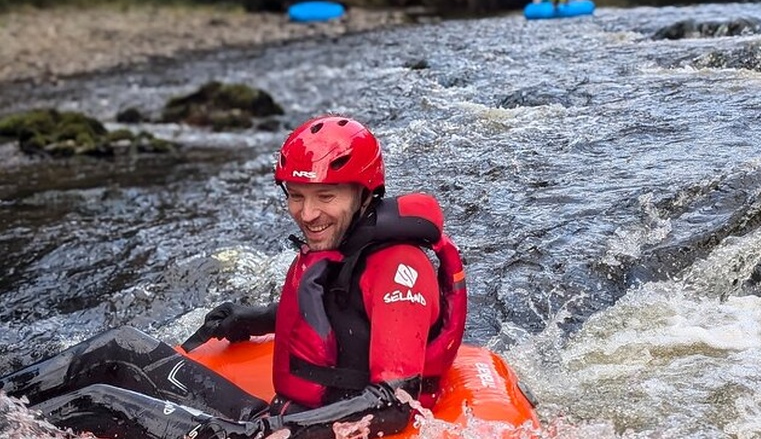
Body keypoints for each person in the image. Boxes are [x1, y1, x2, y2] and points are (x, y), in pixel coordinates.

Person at [0, 115, 468, 439]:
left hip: (288, 430)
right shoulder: (342, 244)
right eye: (297, 196)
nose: (307, 214)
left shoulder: (398, 268)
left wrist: (274, 431)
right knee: (122, 344)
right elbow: (340, 316)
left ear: (366, 193)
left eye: (325, 196)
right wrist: (254, 319)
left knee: (101, 401)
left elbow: (395, 401)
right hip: (278, 418)